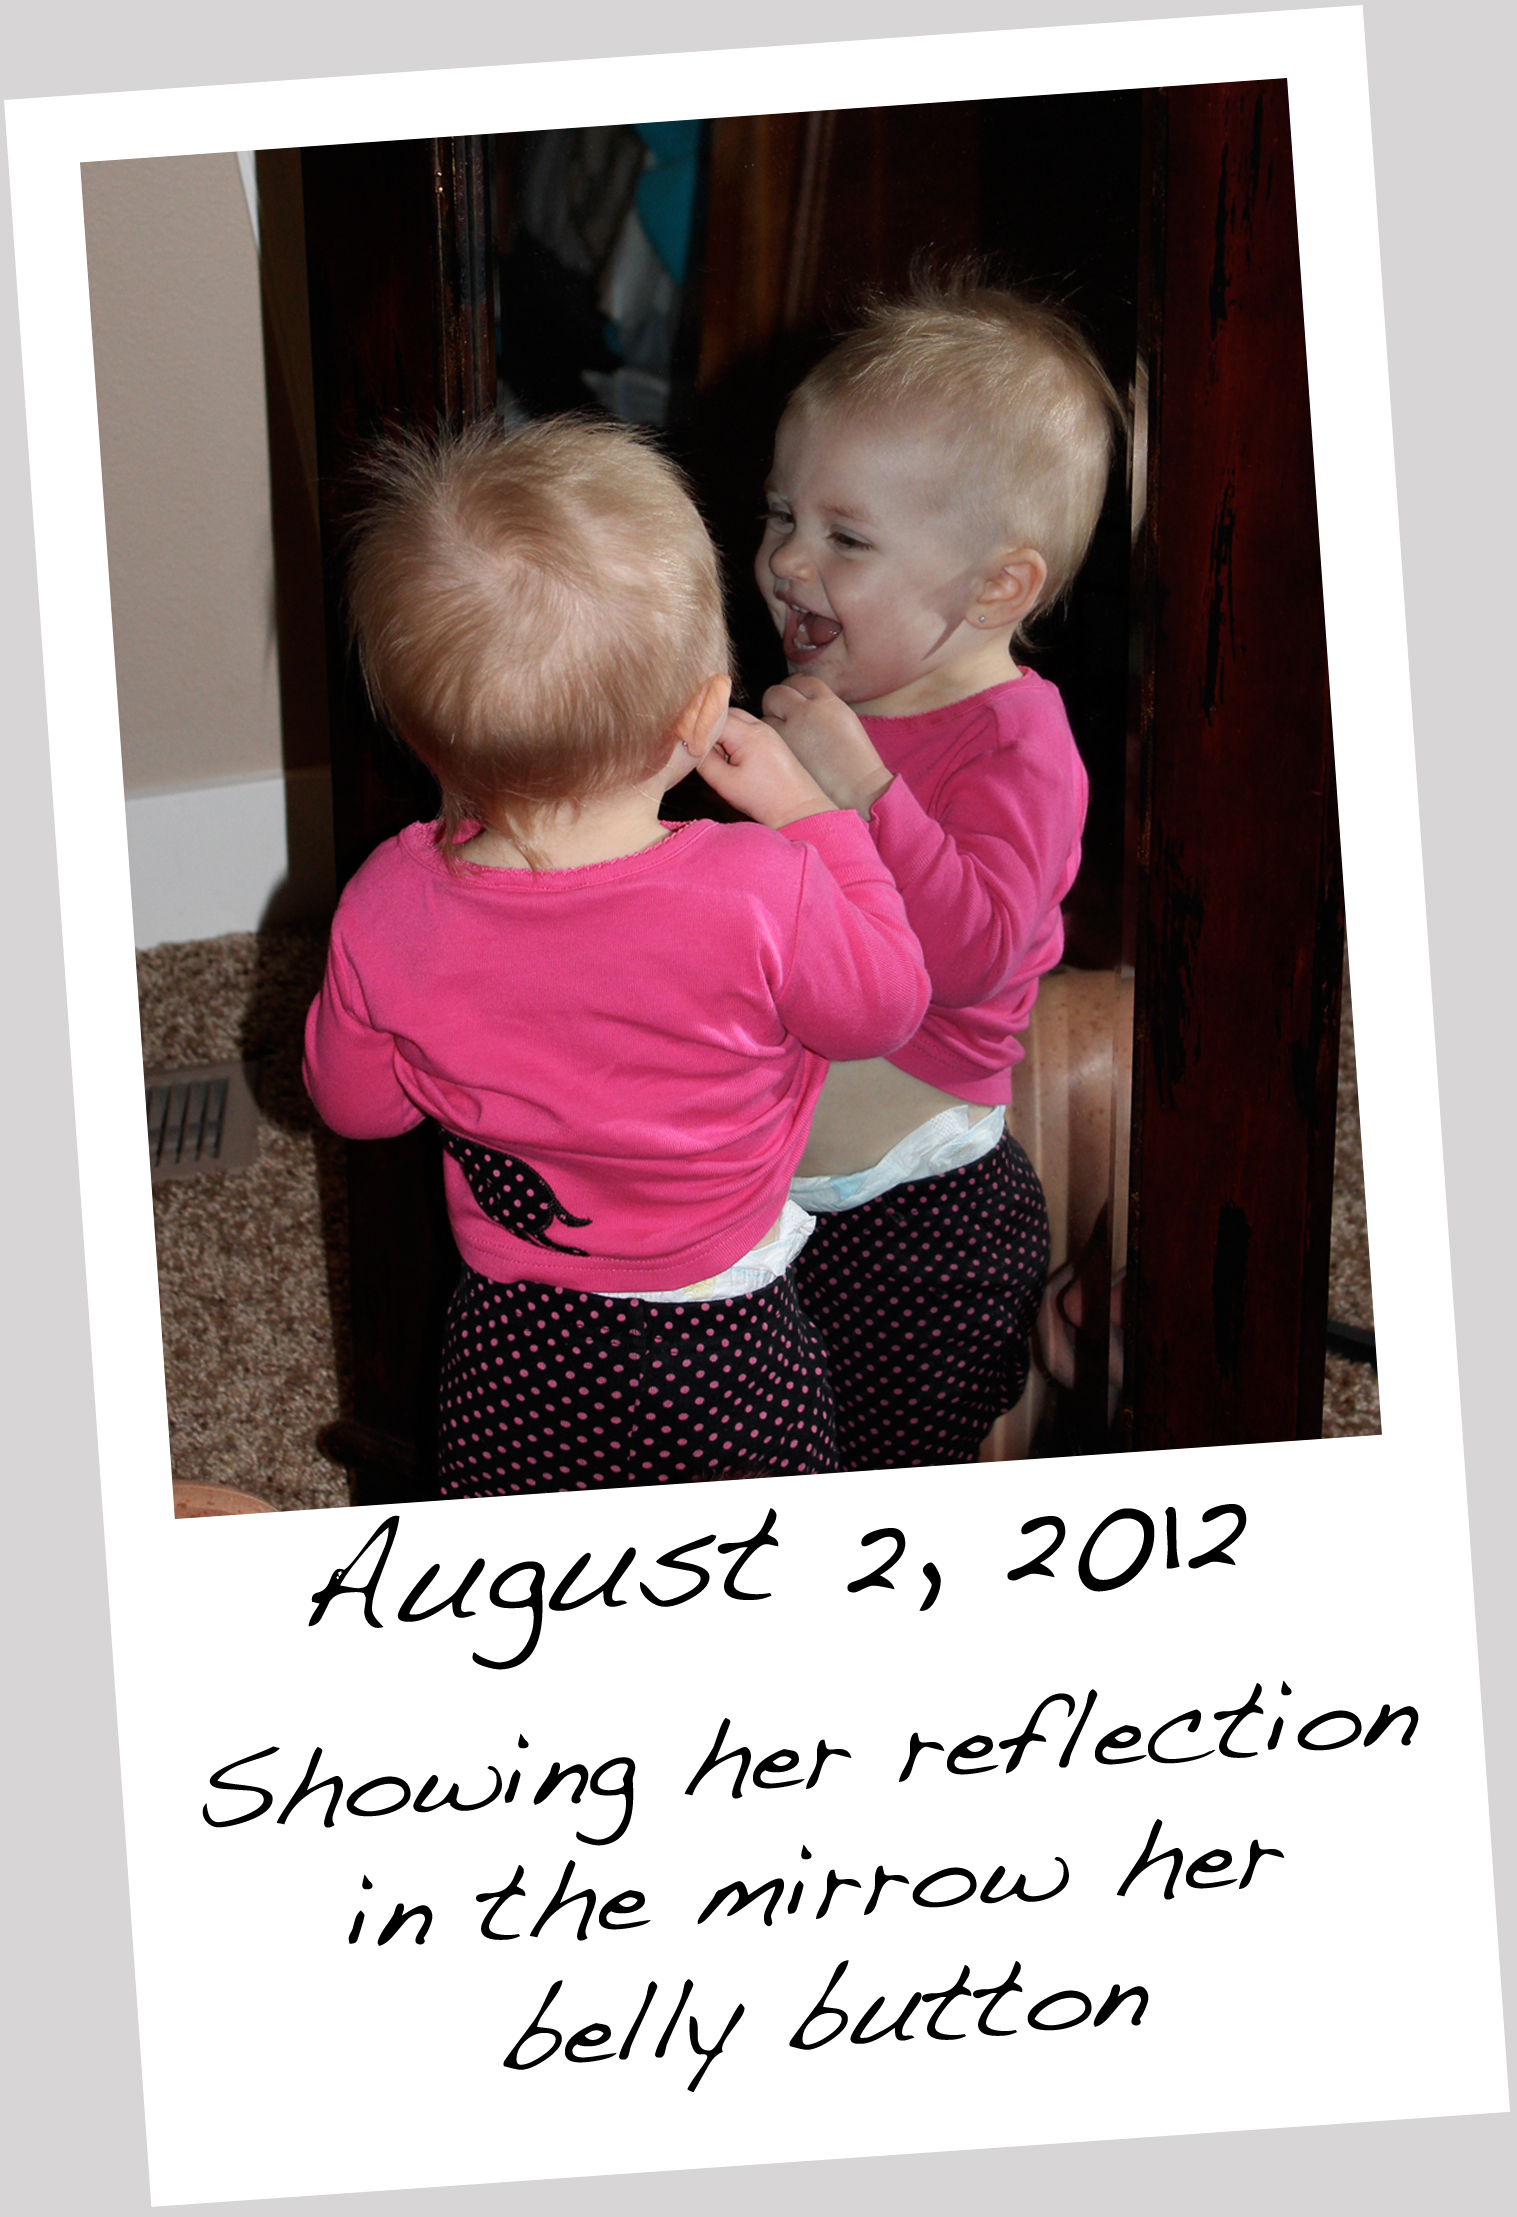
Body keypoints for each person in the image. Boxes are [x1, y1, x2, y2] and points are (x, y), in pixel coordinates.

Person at [304, 415, 929, 1495]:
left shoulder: (385, 903)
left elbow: (359, 1109)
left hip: (512, 1343)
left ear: (423, 736)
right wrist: (812, 815)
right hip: (727, 1342)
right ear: (703, 709)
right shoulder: (764, 886)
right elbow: (887, 1006)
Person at [751, 277, 1125, 1470]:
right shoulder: (827, 706)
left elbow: (968, 956)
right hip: (763, 1182)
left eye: (845, 538)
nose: (786, 561)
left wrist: (859, 788)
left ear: (994, 587)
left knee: (884, 1466)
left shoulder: (1016, 740)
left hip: (914, 1210)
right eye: (780, 515)